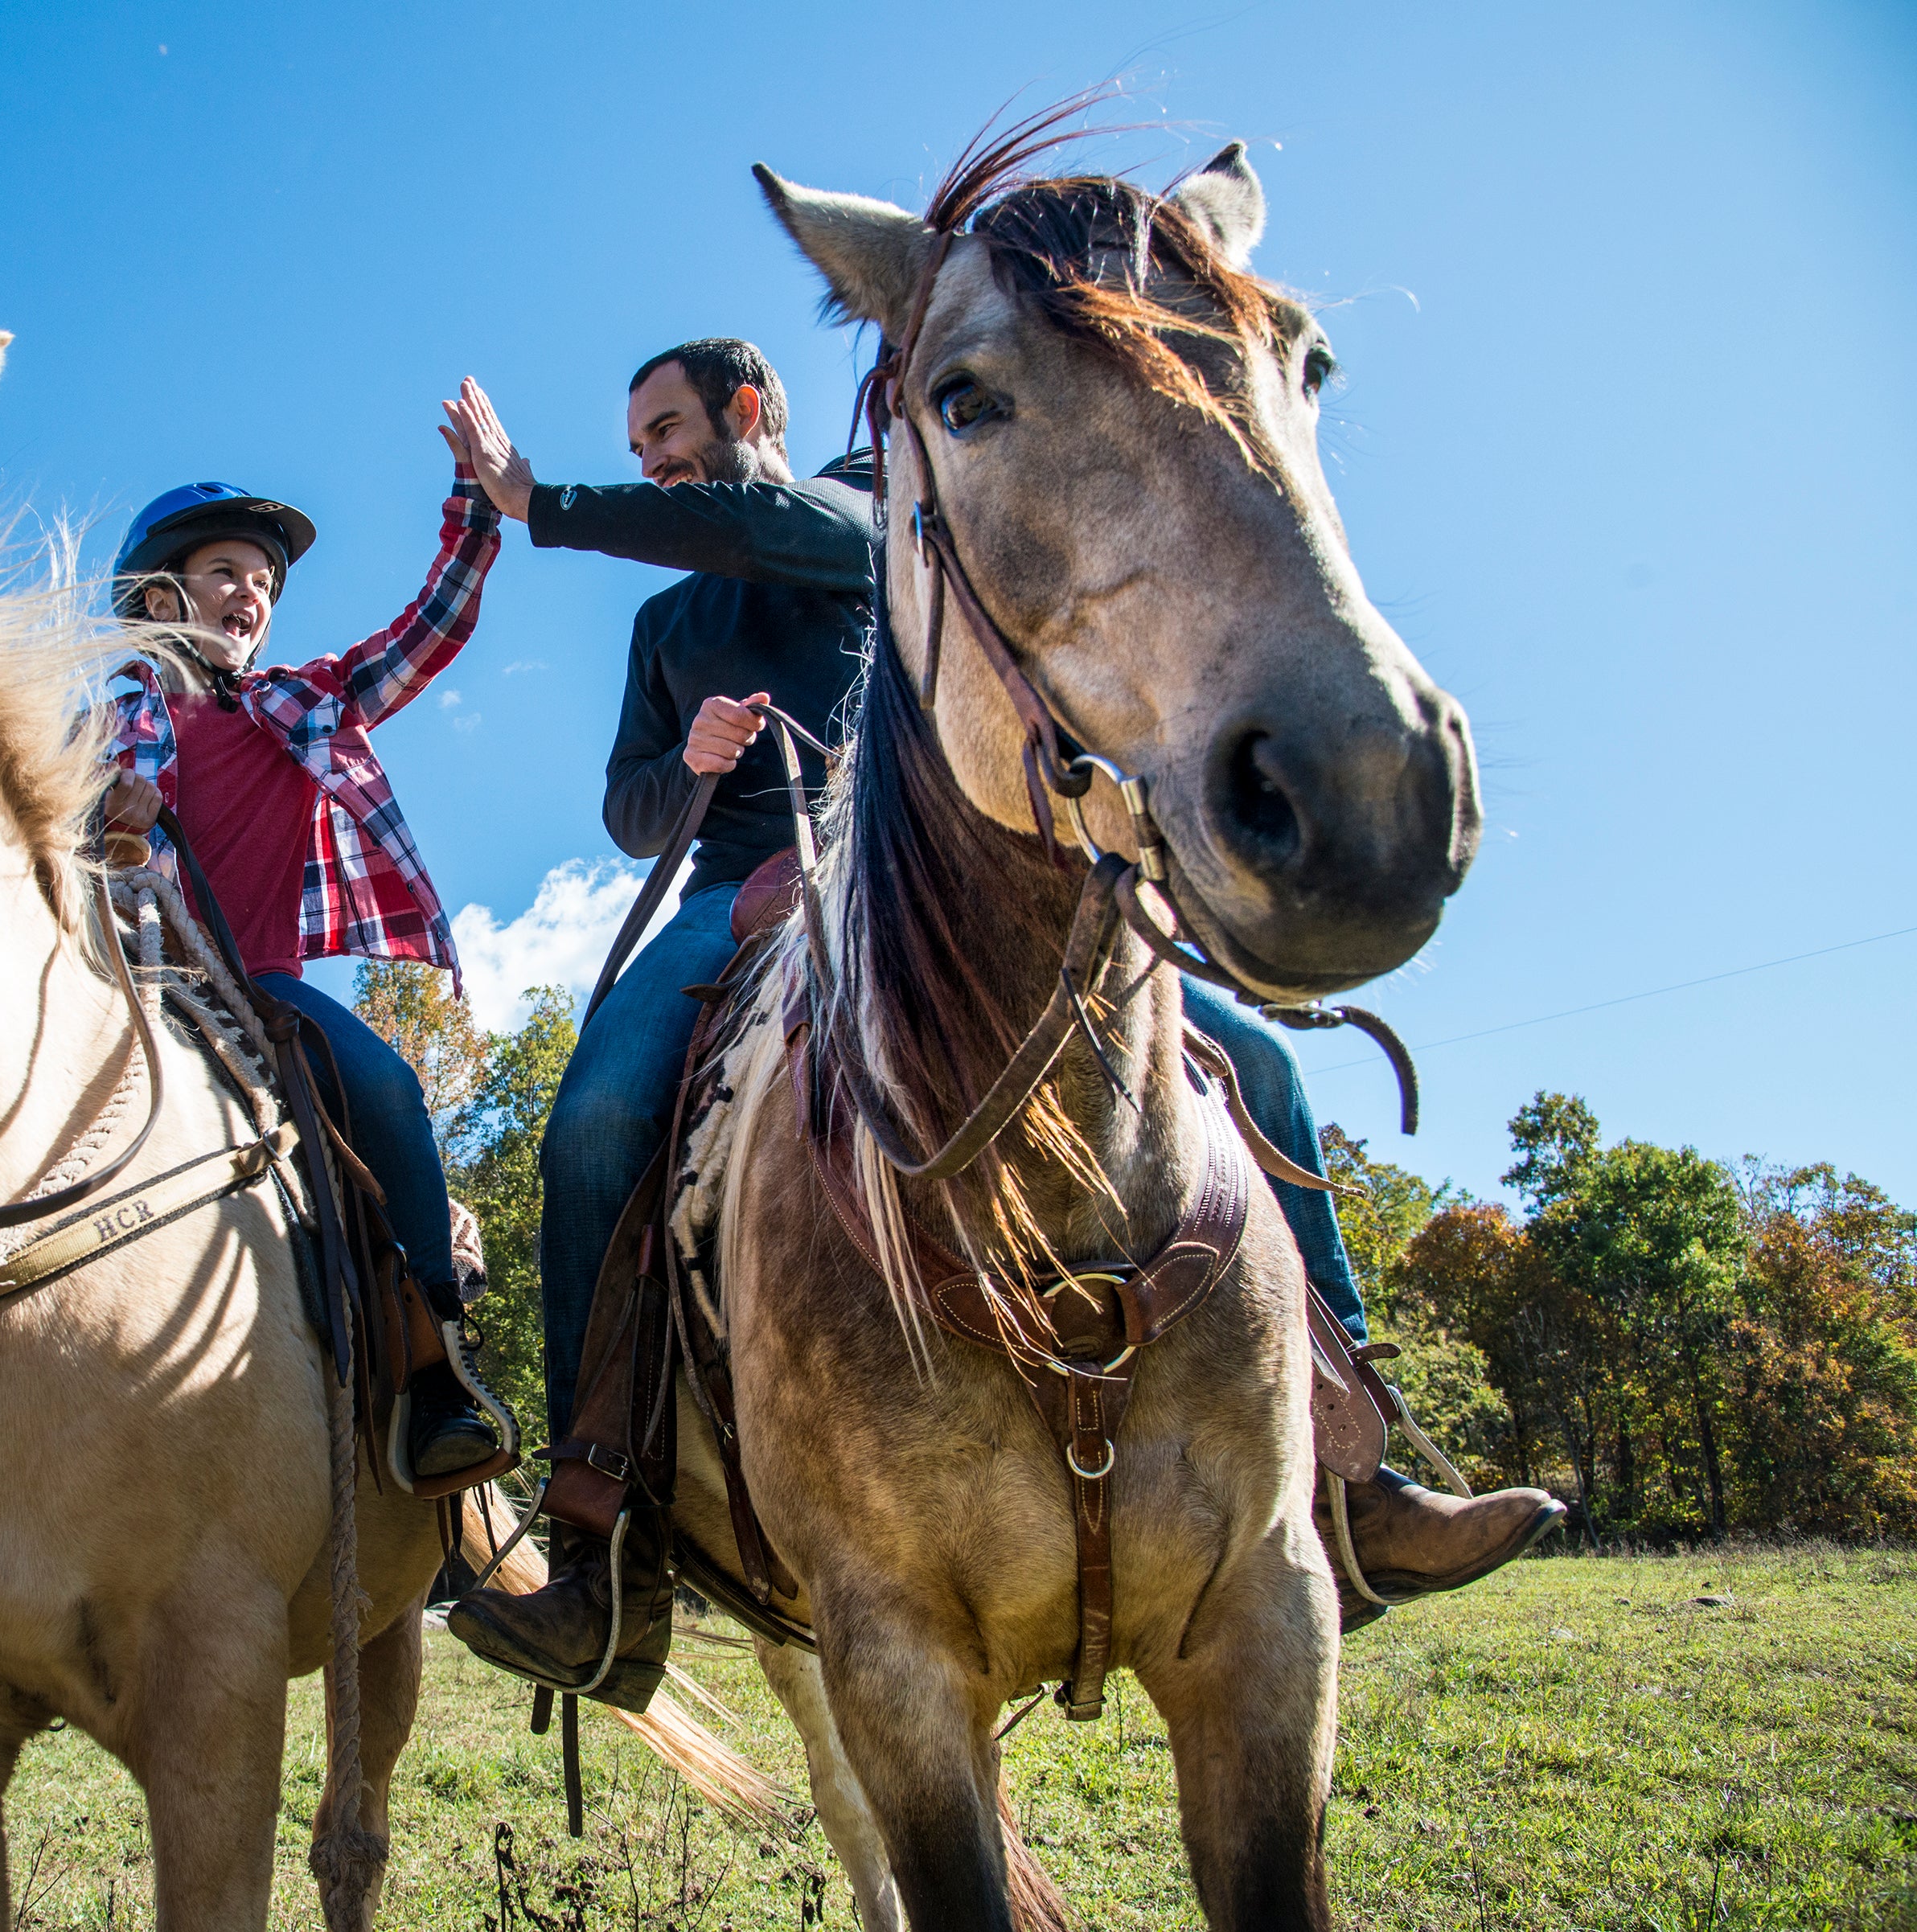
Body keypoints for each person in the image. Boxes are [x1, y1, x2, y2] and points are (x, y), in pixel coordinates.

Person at [436, 338, 1557, 1700]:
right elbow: (627, 815)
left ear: (750, 411)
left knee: (1251, 1055)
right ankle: (601, 1542)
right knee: (599, 1117)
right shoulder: (663, 628)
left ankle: (1351, 1471)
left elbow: (768, 522)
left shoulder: (874, 511)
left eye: (667, 431)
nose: (652, 463)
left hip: (919, 867)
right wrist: (689, 762)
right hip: (737, 888)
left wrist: (543, 504)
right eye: (635, 452)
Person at [97, 410, 507, 1483]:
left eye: (267, 586)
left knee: (384, 1084)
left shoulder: (306, 700)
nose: (253, 596)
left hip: (262, 989)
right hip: (133, 986)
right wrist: (104, 818)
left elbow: (429, 635)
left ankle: (434, 1370)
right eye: (228, 572)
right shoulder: (114, 724)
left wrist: (473, 507)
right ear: (159, 600)